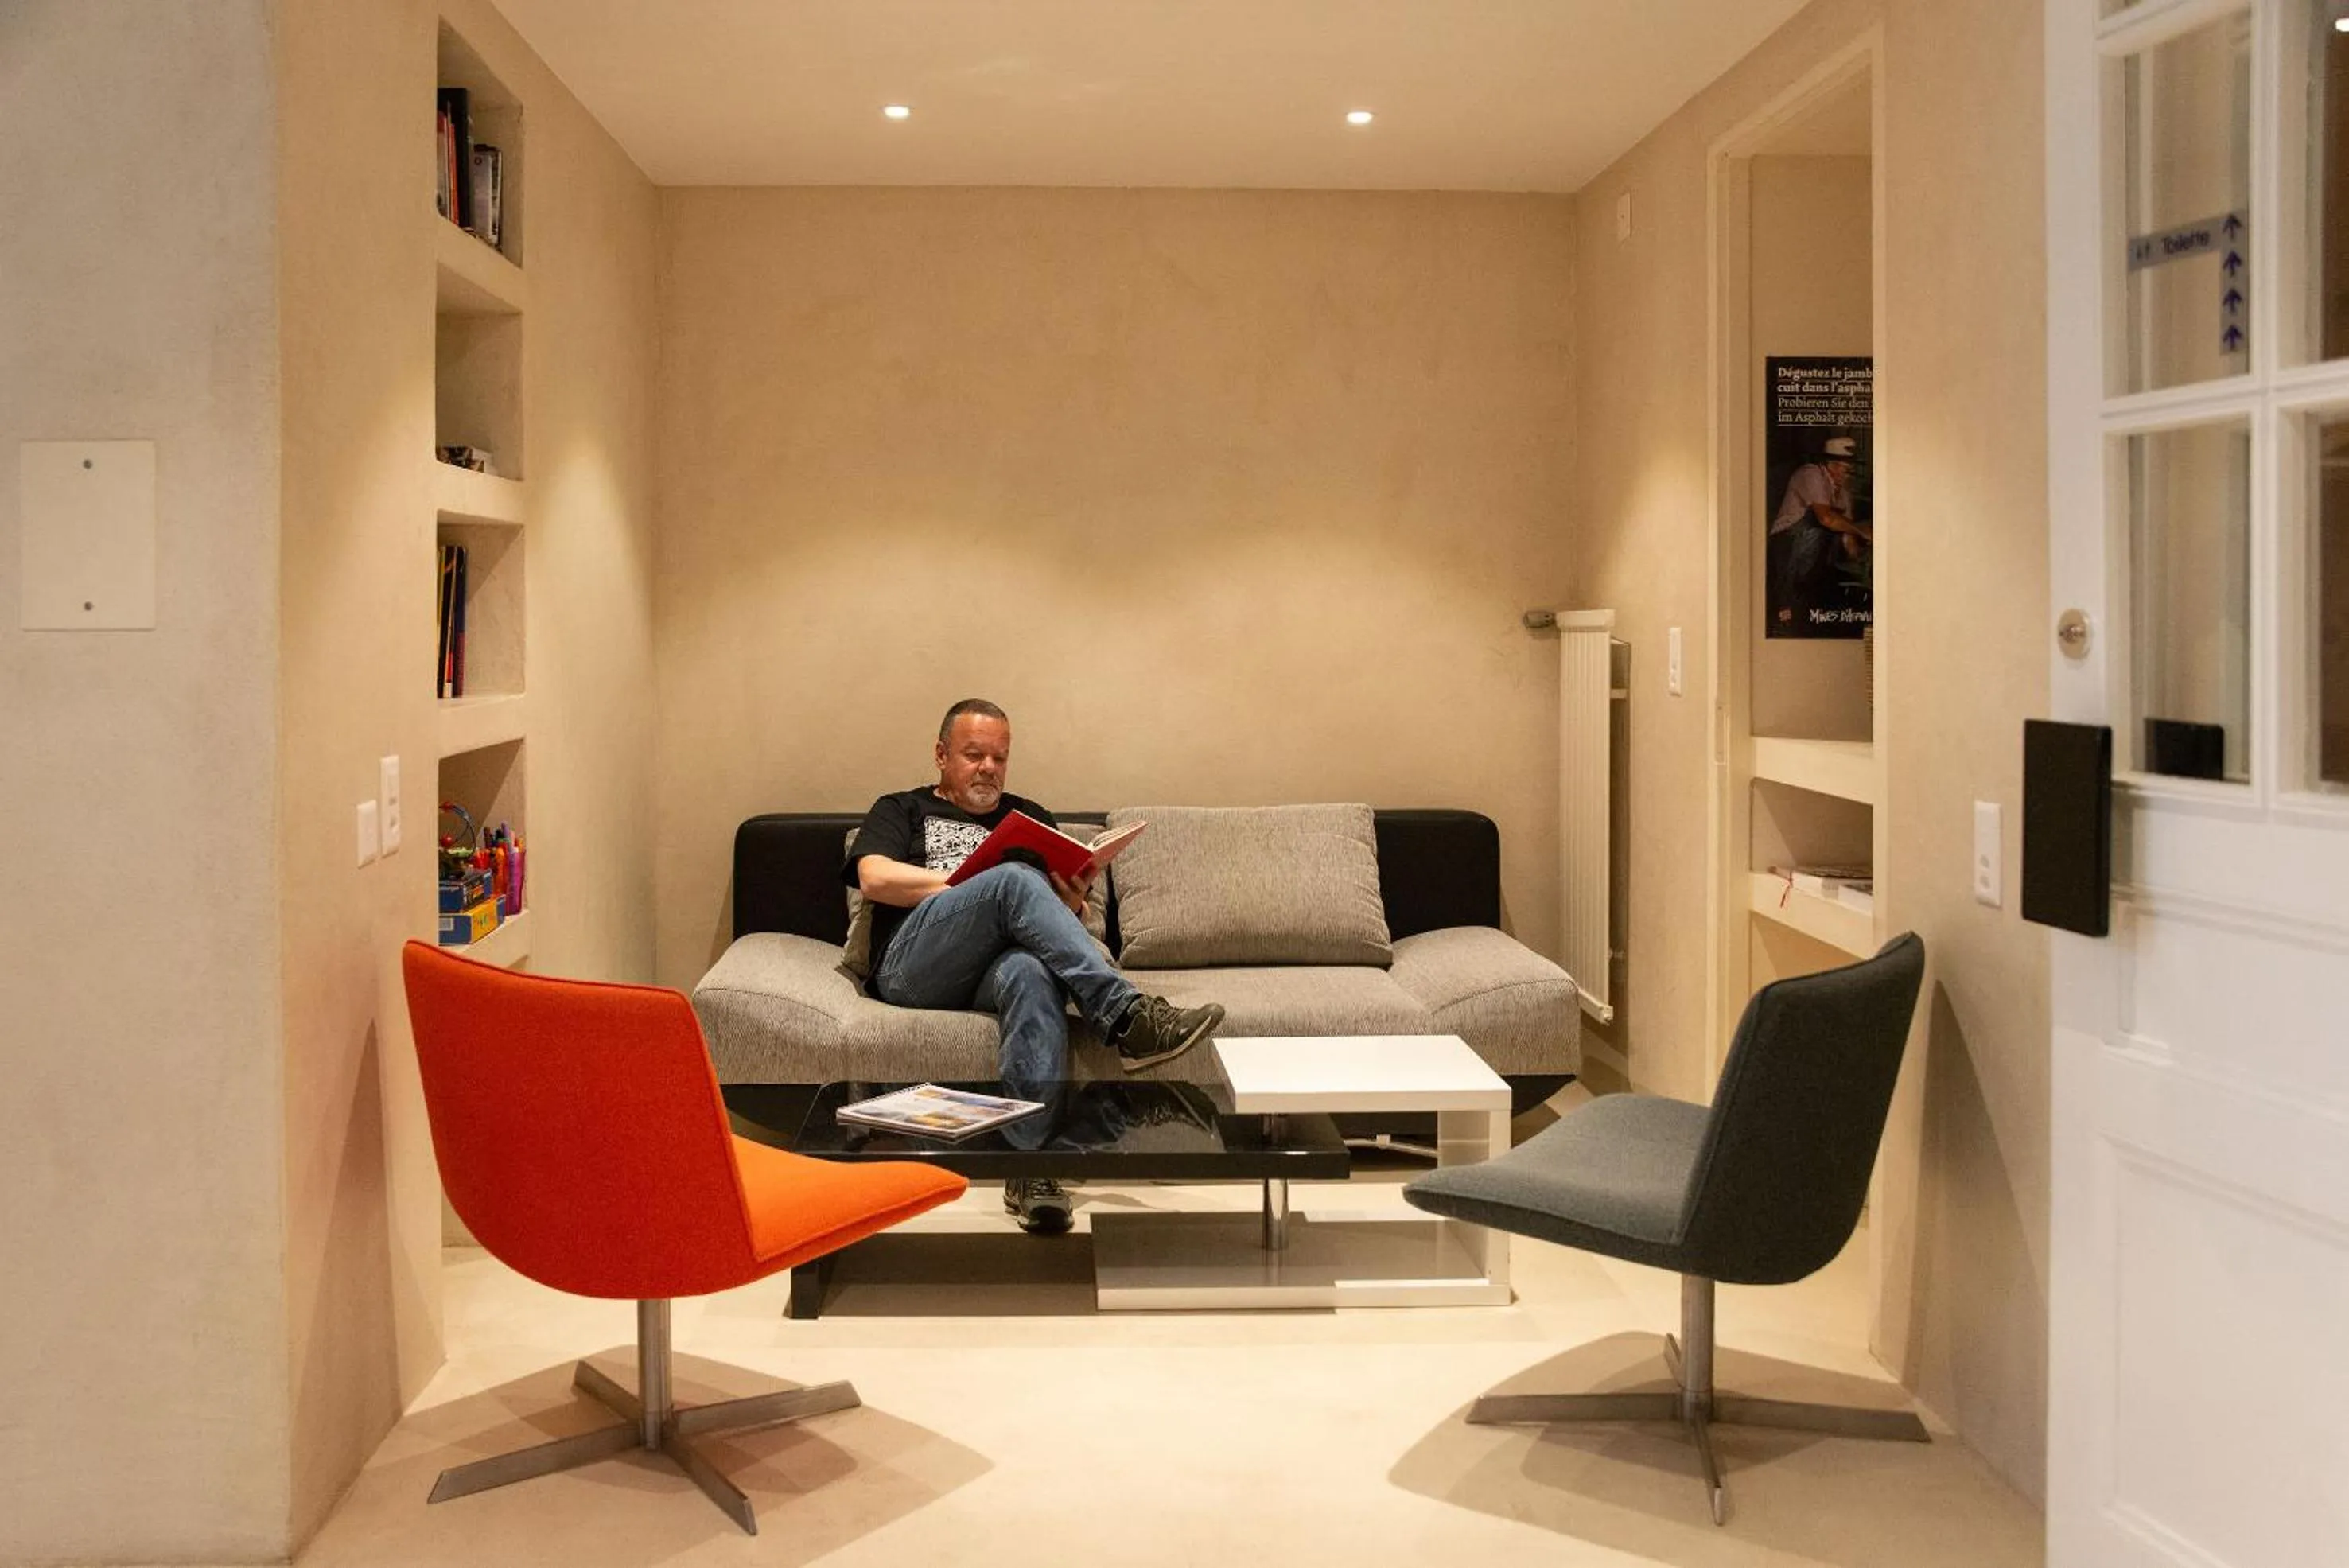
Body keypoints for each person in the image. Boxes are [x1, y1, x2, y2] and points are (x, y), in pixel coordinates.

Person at [846, 698, 1226, 1234]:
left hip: (990, 973)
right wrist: (981, 886)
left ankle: (1032, 1166)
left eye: (999, 757)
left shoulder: (1027, 819)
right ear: (940, 754)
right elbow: (875, 879)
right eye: (974, 754)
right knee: (1011, 880)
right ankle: (1126, 1017)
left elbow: (1063, 916)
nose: (988, 768)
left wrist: (1069, 896)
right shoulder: (902, 808)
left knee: (1030, 969)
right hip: (913, 967)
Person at [1768, 434, 1871, 628]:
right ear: (1830, 464)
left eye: (1850, 470)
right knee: (1814, 532)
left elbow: (1848, 538)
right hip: (1788, 550)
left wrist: (1864, 563)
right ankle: (1785, 612)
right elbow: (1827, 519)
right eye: (1845, 468)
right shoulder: (1811, 474)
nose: (1848, 474)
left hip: (1815, 560)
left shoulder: (1844, 494)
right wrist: (1863, 531)